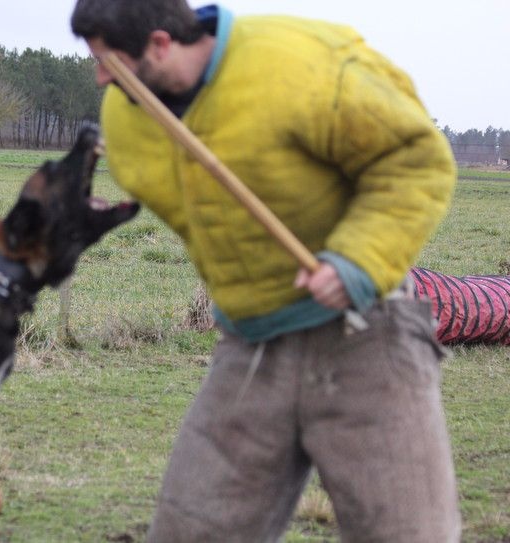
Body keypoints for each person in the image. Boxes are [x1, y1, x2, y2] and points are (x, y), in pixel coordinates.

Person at [70, 1, 461, 542]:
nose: (99, 77)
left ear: (160, 43)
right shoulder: (127, 117)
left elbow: (415, 159)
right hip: (250, 348)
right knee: (188, 532)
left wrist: (356, 260)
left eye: (109, 61)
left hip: (365, 333)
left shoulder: (301, 61)